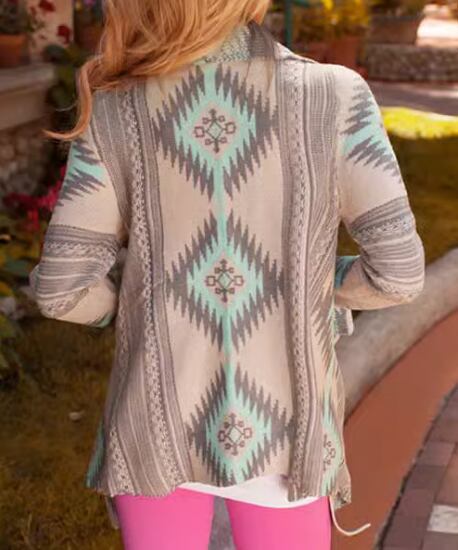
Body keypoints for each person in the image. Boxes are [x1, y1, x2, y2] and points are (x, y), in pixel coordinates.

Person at [28, 0, 426, 548]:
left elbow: (62, 291)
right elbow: (397, 273)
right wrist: (307, 284)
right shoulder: (334, 95)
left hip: (155, 425)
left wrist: (152, 300)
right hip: (287, 435)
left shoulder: (116, 108)